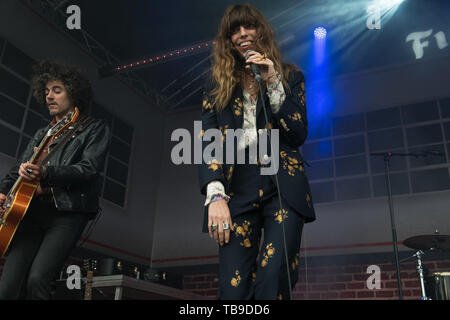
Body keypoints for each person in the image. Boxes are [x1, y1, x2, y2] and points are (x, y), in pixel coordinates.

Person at [198, 3, 316, 300]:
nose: (242, 34)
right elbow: (208, 138)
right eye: (234, 30)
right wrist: (215, 196)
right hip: (237, 188)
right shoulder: (217, 83)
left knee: (272, 278)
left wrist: (272, 79)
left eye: (248, 26)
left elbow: (297, 133)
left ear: (261, 30)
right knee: (233, 291)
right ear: (228, 40)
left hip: (281, 185)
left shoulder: (290, 75)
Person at [0, 60, 110, 299]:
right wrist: (2, 190)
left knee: (38, 279)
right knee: (7, 286)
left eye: (57, 90)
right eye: (46, 91)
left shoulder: (94, 128)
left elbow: (88, 169)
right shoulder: (42, 133)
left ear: (74, 93)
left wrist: (47, 174)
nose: (49, 96)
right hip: (29, 211)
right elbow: (16, 171)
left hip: (67, 212)